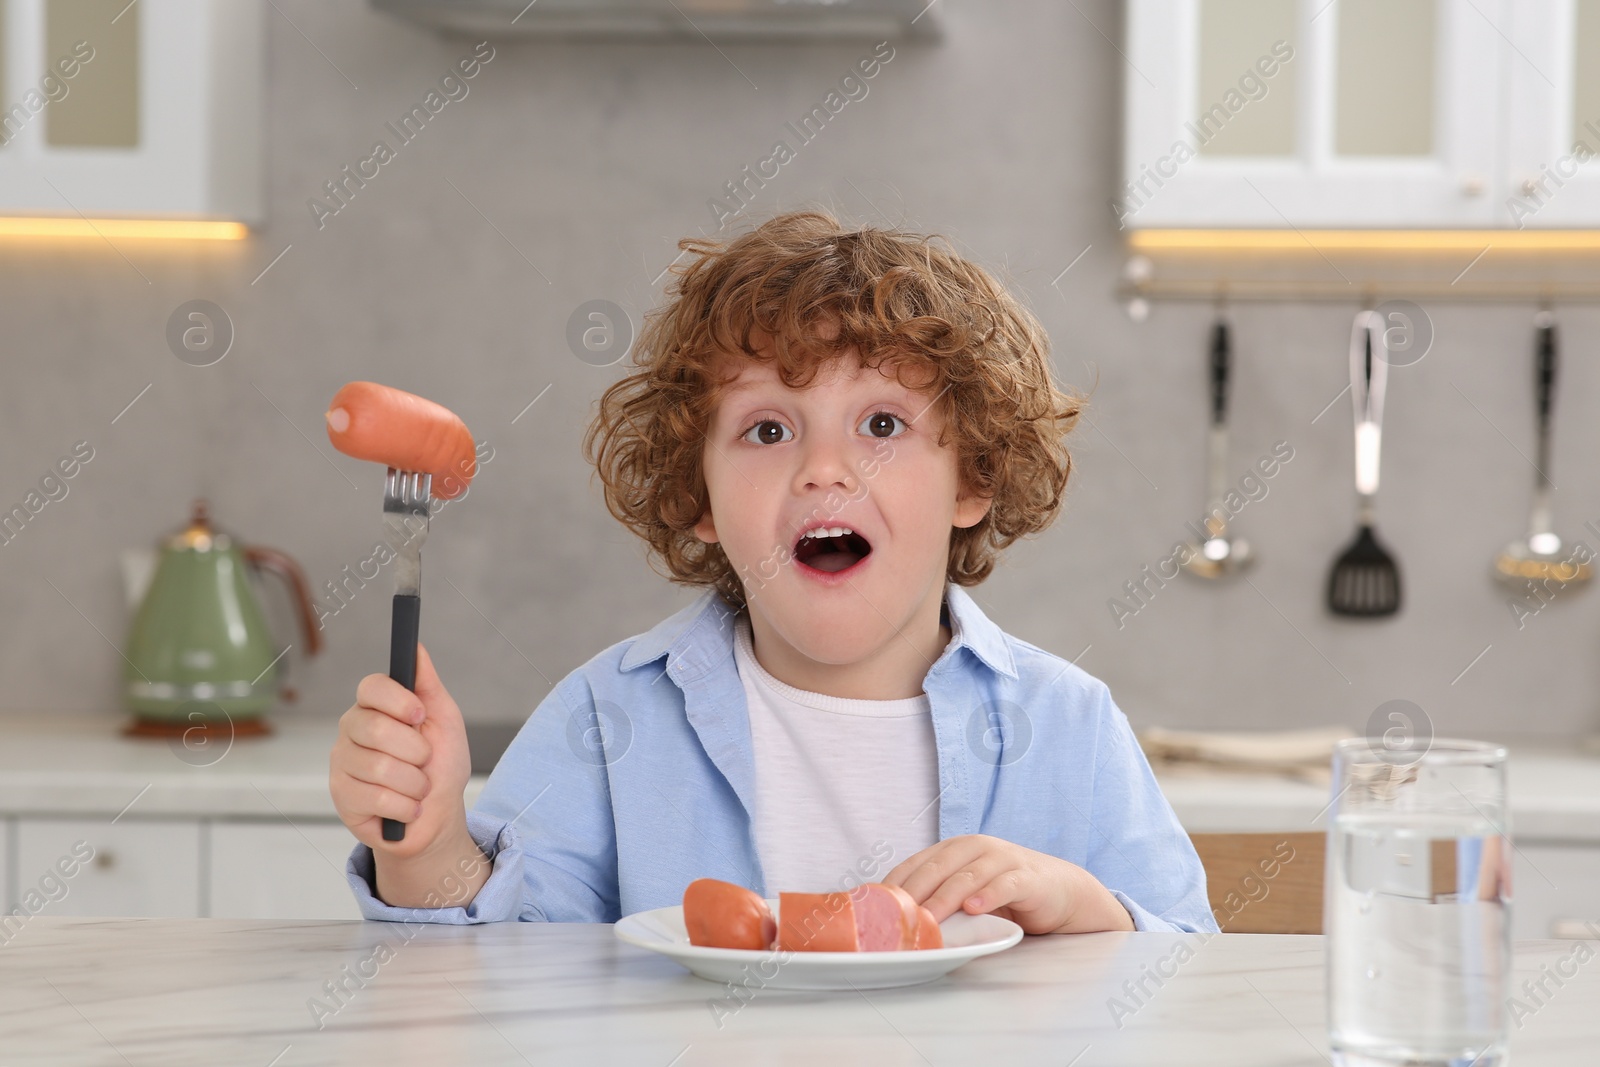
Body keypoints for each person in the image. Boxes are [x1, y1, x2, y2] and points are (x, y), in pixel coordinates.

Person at [330, 209, 1217, 935]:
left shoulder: (1069, 726)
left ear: (973, 477)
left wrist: (1083, 908)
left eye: (880, 426)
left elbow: (1190, 977)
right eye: (767, 430)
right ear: (700, 496)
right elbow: (496, 967)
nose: (823, 469)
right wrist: (426, 845)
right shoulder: (612, 718)